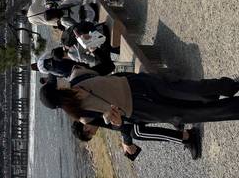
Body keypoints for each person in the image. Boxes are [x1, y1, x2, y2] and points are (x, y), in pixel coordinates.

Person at [39, 65, 239, 127]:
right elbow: (103, 70)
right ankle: (229, 86)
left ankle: (233, 106)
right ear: (58, 89)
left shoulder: (83, 116)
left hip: (140, 110)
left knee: (190, 114)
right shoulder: (77, 76)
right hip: (136, 84)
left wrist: (114, 117)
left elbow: (115, 123)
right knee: (187, 88)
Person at [71, 120, 202, 160]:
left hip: (133, 106)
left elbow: (122, 124)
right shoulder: (94, 118)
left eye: (91, 134)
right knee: (134, 133)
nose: (94, 133)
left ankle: (188, 137)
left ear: (86, 128)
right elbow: (121, 126)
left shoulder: (95, 117)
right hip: (131, 110)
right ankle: (182, 132)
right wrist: (125, 141)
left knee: (137, 133)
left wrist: (126, 142)